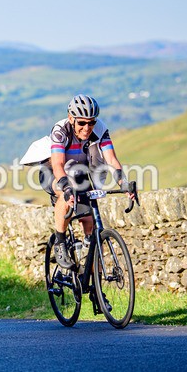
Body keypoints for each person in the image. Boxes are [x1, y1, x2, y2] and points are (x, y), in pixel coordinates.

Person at [44, 94, 134, 271]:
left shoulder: (100, 130)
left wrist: (123, 183)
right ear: (71, 118)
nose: (87, 127)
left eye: (91, 122)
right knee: (64, 192)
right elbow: (57, 164)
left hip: (79, 173)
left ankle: (95, 288)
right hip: (54, 172)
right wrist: (67, 188)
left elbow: (111, 160)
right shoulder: (60, 130)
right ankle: (60, 243)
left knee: (89, 221)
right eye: (82, 123)